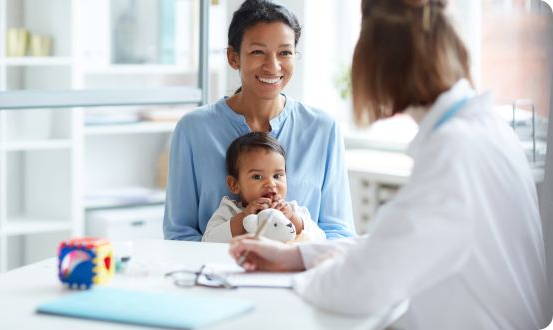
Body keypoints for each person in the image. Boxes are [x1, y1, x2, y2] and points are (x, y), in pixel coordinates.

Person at [229, 0, 551, 328]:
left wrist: (300, 281)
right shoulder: (484, 129)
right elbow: (392, 244)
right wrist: (296, 257)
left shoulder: (455, 152)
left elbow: (363, 286)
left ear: (383, 62)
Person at [163, 0, 355, 241]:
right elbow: (179, 235)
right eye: (257, 52)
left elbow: (340, 235)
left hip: (299, 276)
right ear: (233, 58)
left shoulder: (324, 129)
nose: (273, 66)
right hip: (216, 275)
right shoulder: (193, 129)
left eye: (284, 52)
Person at [202, 132, 326, 243]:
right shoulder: (229, 211)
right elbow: (207, 241)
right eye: (257, 177)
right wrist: (243, 217)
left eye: (277, 176)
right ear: (234, 184)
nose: (271, 184)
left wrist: (293, 218)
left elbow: (320, 238)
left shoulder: (294, 210)